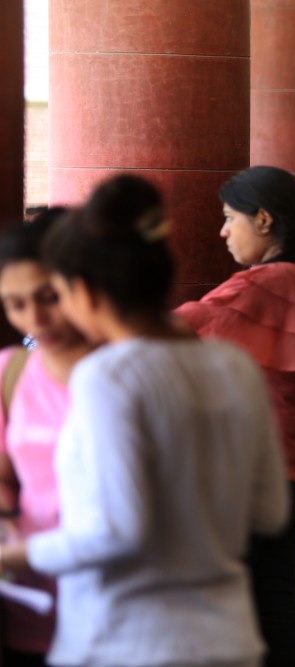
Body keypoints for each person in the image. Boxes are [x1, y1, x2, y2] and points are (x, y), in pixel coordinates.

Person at [3, 174, 289, 667]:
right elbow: (268, 512)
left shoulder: (107, 376)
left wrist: (15, 558)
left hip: (125, 638)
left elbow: (117, 532)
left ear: (85, 291)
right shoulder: (232, 365)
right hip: (227, 636)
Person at [177, 165, 295, 667]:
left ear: (265, 219)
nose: (223, 231)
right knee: (271, 593)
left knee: (257, 599)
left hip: (258, 466)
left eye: (231, 218)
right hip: (288, 461)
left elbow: (180, 328)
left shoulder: (271, 281)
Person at [0, 212, 92, 667]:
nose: (33, 318)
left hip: (122, 611)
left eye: (48, 297)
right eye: (15, 304)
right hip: (31, 604)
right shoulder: (11, 372)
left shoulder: (135, 372)